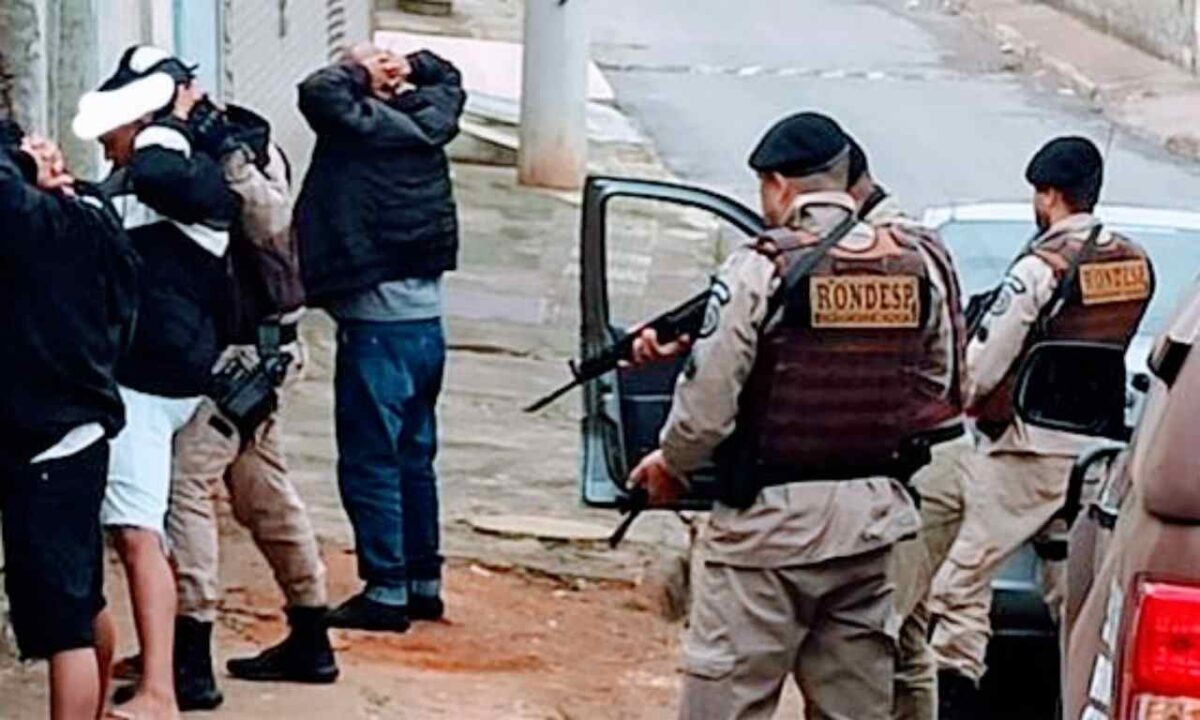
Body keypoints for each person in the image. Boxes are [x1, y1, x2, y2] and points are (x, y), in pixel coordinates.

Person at [630, 112, 961, 719]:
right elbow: (937, 386)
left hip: (764, 531)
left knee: (727, 704)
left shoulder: (760, 266)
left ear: (779, 185)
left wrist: (673, 464)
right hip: (871, 526)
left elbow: (706, 407)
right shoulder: (915, 267)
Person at [109, 85, 336, 708]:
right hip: (263, 353)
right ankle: (311, 632)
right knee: (264, 490)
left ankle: (189, 656)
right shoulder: (240, 149)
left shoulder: (228, 160)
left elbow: (269, 224)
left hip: (244, 360)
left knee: (185, 487)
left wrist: (219, 156)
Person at [928, 136, 1154, 718]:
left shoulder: (1041, 266)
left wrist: (956, 402)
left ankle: (955, 703)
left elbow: (986, 362)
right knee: (1071, 594)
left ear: (1049, 195)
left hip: (1026, 452)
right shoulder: (1134, 263)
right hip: (1095, 455)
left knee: (957, 584)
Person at [73, 45, 238, 720]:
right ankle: (158, 666)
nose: (104, 141)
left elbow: (157, 172)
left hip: (148, 383)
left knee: (137, 533)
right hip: (163, 376)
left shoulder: (181, 176)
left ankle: (160, 692)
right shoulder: (156, 182)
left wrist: (167, 118)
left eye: (114, 123)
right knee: (143, 532)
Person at [295, 42, 465, 632]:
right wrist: (408, 66)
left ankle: (387, 589)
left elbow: (317, 92)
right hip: (426, 320)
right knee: (415, 456)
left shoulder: (360, 128)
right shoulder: (428, 121)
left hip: (376, 321)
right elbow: (448, 77)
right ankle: (423, 582)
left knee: (371, 459)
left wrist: (358, 70)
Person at [0, 121, 136, 719]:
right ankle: (96, 709)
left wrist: (21, 163)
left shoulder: (40, 227)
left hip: (50, 438)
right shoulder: (94, 220)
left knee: (64, 625)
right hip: (81, 425)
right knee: (83, 598)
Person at [846, 136, 970, 720]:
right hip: (937, 461)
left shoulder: (892, 253)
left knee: (872, 639)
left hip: (922, 465)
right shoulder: (915, 241)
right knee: (907, 637)